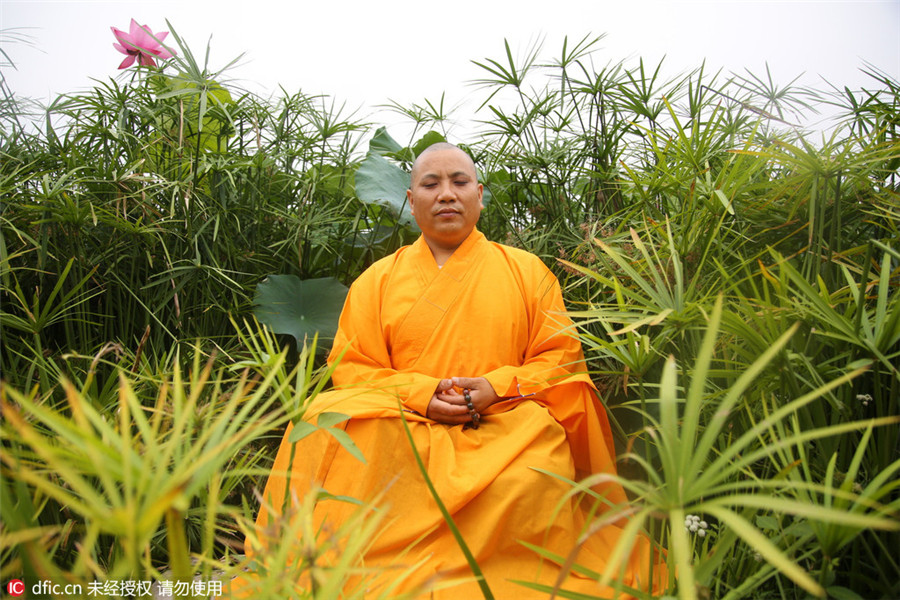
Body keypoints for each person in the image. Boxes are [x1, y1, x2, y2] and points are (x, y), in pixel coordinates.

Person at [241, 143, 664, 598]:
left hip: (504, 422)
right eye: (431, 184)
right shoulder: (377, 280)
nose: (446, 194)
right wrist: (422, 394)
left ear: (479, 195)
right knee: (320, 417)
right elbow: (353, 366)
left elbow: (559, 357)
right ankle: (343, 567)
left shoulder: (528, 272)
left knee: (533, 463)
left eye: (459, 182)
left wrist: (496, 387)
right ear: (411, 199)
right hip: (402, 422)